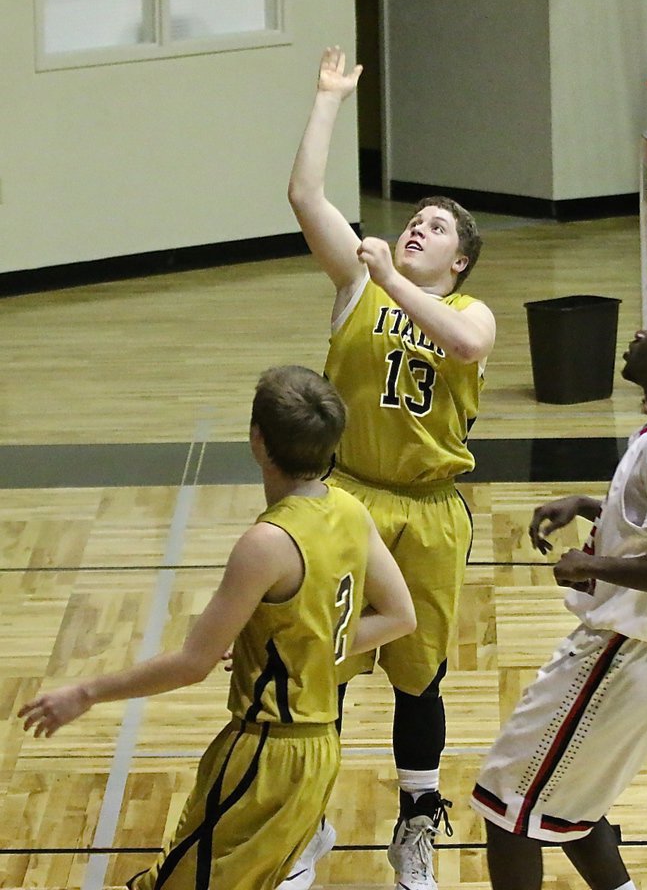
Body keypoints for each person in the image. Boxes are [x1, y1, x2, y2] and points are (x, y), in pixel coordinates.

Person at [19, 365, 416, 890]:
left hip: (266, 752)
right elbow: (399, 617)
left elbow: (192, 664)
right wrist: (298, 646)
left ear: (257, 440)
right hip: (319, 750)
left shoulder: (267, 543)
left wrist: (86, 691)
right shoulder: (348, 509)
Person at [286, 47, 496, 890]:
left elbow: (466, 344)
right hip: (347, 498)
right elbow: (305, 196)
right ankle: (309, 821)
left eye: (437, 227)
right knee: (327, 662)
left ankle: (414, 827)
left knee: (420, 675)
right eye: (414, 218)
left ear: (460, 261)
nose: (418, 227)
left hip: (430, 506)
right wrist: (329, 99)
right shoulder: (355, 283)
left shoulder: (465, 308)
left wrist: (389, 276)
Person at [469, 295, 647, 890]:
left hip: (628, 650)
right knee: (573, 806)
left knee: (506, 805)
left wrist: (593, 563)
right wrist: (596, 505)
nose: (639, 332)